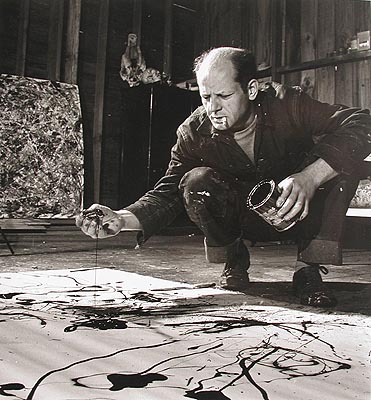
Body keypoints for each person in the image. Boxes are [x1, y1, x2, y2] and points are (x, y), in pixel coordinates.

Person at [76, 47, 371, 308]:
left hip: (301, 212)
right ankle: (234, 260)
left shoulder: (288, 103)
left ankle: (307, 268)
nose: (213, 108)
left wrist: (310, 177)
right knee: (194, 181)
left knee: (344, 163)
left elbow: (362, 122)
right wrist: (121, 218)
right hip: (242, 220)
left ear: (252, 89)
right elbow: (168, 191)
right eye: (205, 96)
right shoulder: (193, 131)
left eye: (224, 96)